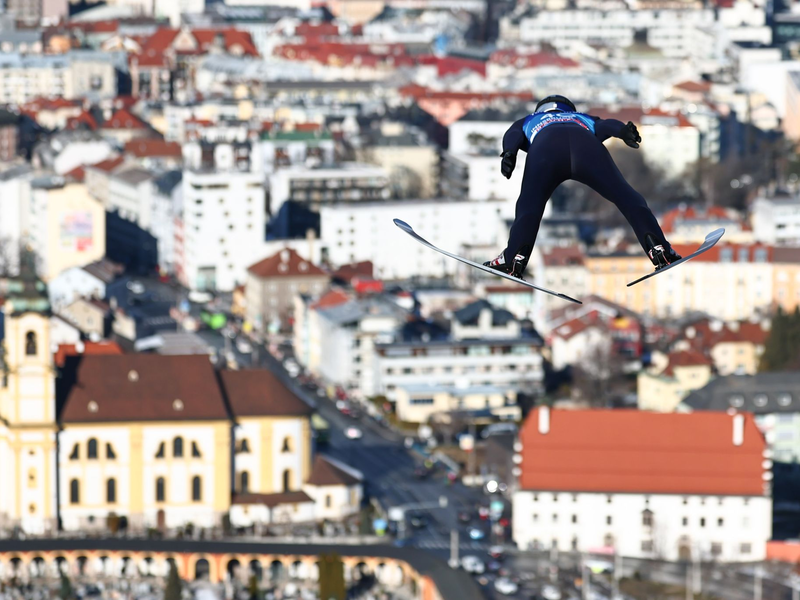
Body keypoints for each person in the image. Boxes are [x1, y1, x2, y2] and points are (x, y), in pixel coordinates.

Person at [483, 94, 681, 279]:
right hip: (587, 148)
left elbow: (513, 134)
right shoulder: (581, 117)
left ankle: (514, 259)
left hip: (546, 151)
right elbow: (606, 125)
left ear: (541, 109)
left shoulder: (530, 119)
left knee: (529, 206)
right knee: (628, 198)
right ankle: (659, 249)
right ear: (568, 109)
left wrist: (509, 153)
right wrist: (623, 131)